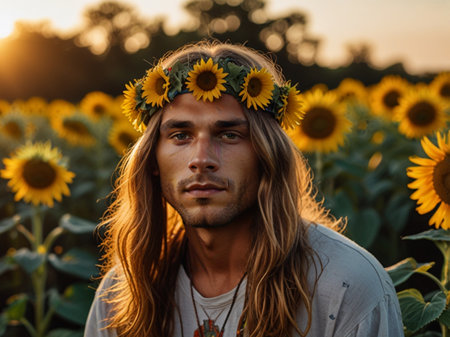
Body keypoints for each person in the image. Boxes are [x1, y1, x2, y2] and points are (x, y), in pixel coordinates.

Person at [84, 41, 404, 337]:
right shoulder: (123, 295)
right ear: (152, 159)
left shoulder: (345, 287)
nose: (201, 159)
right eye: (181, 135)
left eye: (229, 135)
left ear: (267, 154)